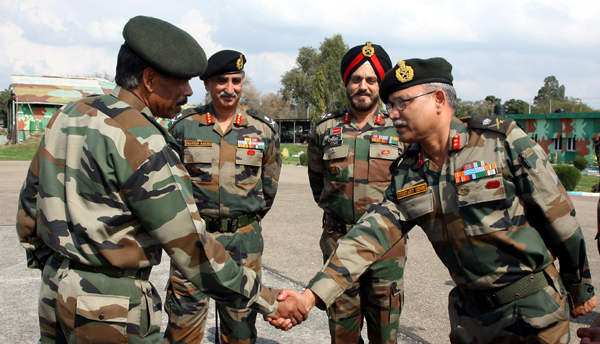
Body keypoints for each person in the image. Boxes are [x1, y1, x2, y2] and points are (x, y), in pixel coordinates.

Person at [15, 16, 304, 343]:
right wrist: (266, 299)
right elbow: (190, 248)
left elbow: (29, 211)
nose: (188, 91)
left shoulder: (68, 114)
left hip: (54, 291)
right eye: (181, 81)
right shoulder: (143, 141)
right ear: (150, 79)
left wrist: (58, 269)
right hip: (110, 307)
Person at [275, 57, 597, 343]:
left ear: (439, 99)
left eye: (402, 103)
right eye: (390, 105)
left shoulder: (499, 143)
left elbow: (560, 217)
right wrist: (310, 297)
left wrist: (579, 287)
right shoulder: (409, 172)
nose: (393, 113)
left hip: (532, 310)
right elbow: (367, 236)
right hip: (469, 317)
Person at [164, 50, 281, 344]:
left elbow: (268, 189)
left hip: (243, 242)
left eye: (236, 81)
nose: (230, 89)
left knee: (240, 329)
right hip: (194, 241)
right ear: (206, 84)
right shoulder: (183, 126)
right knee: (183, 326)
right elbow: (170, 185)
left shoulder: (263, 129)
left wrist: (241, 220)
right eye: (221, 81)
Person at [307, 42, 406, 344]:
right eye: (356, 79)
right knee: (343, 335)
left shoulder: (400, 128)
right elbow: (317, 183)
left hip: (385, 250)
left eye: (371, 80)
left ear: (381, 85)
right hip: (338, 245)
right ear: (347, 83)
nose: (363, 86)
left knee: (384, 335)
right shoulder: (325, 129)